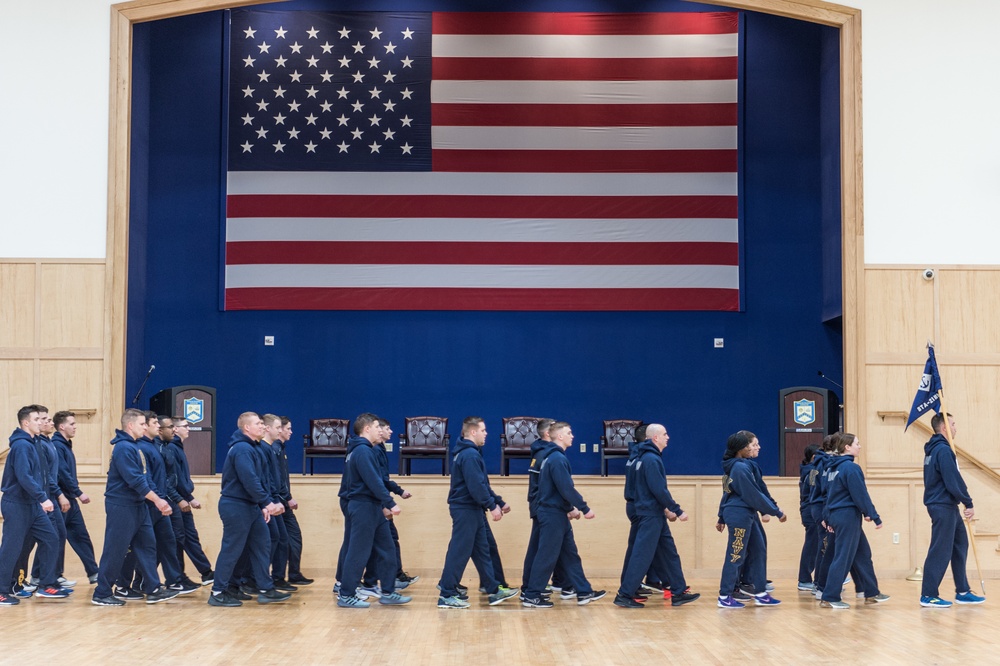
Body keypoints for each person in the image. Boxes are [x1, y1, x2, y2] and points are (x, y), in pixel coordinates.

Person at [91, 409, 179, 606]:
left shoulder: (134, 447)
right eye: (142, 424)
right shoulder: (123, 448)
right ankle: (102, 592)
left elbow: (143, 478)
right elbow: (135, 480)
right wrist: (158, 500)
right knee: (116, 549)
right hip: (122, 505)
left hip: (138, 505)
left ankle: (153, 588)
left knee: (147, 545)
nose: (145, 427)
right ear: (130, 425)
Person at [207, 412, 289, 607]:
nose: (262, 426)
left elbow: (259, 480)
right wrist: (267, 503)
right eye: (258, 423)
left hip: (251, 506)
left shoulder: (254, 447)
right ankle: (218, 592)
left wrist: (262, 505)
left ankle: (265, 589)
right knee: (232, 548)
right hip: (236, 505)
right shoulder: (242, 449)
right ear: (247, 428)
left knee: (262, 543)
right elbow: (249, 479)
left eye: (262, 423)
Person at [436, 417, 518, 609]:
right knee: (459, 552)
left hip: (472, 508)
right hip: (465, 509)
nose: (486, 433)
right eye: (483, 430)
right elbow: (476, 486)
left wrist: (497, 501)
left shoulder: (469, 453)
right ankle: (446, 594)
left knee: (482, 551)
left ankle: (493, 590)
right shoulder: (470, 455)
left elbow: (482, 484)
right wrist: (491, 505)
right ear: (473, 432)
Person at [521, 422, 605, 608]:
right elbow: (566, 488)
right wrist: (583, 507)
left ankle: (583, 591)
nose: (572, 436)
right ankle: (532, 595)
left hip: (556, 512)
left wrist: (568, 508)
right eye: (569, 432)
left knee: (570, 554)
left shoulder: (552, 457)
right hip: (551, 514)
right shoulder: (557, 459)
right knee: (547, 555)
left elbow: (557, 489)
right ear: (559, 437)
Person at [615, 424, 699, 609]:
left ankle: (678, 590)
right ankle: (625, 594)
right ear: (655, 438)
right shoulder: (651, 459)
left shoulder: (643, 457)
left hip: (651, 512)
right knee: (642, 554)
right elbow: (658, 489)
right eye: (665, 434)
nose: (668, 437)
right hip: (649, 513)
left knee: (669, 553)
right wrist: (676, 509)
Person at [336, 413, 410, 608]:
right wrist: (390, 502)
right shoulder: (362, 451)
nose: (381, 430)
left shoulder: (365, 450)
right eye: (377, 427)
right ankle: (346, 594)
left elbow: (377, 480)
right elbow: (373, 481)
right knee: (358, 552)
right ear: (367, 429)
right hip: (362, 506)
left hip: (372, 506)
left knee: (387, 549)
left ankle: (388, 592)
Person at [0, 406, 68, 605]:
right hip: (17, 504)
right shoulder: (22, 445)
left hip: (32, 504)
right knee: (11, 548)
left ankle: (46, 585)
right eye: (37, 419)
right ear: (26, 423)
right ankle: (2, 590)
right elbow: (24, 476)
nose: (42, 422)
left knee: (51, 538)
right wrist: (43, 498)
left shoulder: (32, 443)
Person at [920, 413, 984, 608]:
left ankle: (962, 591)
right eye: (953, 424)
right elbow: (953, 480)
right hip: (942, 505)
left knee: (960, 545)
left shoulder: (935, 450)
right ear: (944, 427)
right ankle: (928, 595)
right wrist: (968, 502)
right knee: (940, 550)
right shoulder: (942, 451)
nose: (956, 428)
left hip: (947, 505)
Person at [716, 431, 784, 608]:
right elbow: (751, 494)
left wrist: (768, 509)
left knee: (759, 549)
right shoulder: (738, 468)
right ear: (742, 448)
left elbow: (759, 490)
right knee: (736, 553)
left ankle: (760, 592)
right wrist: (775, 511)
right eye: (754, 445)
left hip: (748, 514)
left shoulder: (745, 466)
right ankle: (725, 595)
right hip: (739, 515)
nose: (758, 447)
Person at [818, 432, 887, 609]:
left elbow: (825, 496)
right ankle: (830, 597)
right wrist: (874, 515)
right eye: (857, 443)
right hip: (847, 516)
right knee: (843, 557)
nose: (860, 446)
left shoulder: (831, 468)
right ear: (847, 447)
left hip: (837, 515)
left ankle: (871, 592)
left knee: (863, 554)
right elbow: (860, 495)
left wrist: (827, 517)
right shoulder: (850, 468)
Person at [359, 417, 413, 598]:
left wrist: (398, 491)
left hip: (378, 502)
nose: (389, 432)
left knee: (385, 544)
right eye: (385, 428)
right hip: (372, 505)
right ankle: (351, 585)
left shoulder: (378, 449)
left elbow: (382, 479)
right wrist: (386, 504)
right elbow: (375, 482)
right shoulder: (367, 451)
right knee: (367, 546)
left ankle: (381, 584)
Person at [163, 417, 214, 584]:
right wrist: (180, 499)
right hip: (175, 500)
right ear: (175, 429)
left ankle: (204, 572)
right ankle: (179, 577)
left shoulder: (177, 447)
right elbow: (171, 479)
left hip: (182, 498)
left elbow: (180, 478)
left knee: (188, 537)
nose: (188, 429)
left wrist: (190, 498)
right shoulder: (171, 448)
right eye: (185, 426)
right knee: (179, 538)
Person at [52, 410, 99, 585]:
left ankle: (94, 573)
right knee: (55, 539)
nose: (75, 427)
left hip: (70, 500)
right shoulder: (57, 445)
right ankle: (48, 576)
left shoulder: (66, 445)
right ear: (62, 426)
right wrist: (78, 492)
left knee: (81, 537)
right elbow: (62, 473)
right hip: (61, 499)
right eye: (72, 424)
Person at [276, 416, 313, 586]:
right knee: (282, 541)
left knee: (292, 537)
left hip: (282, 500)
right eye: (288, 428)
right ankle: (277, 577)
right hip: (278, 501)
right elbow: (275, 479)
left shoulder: (280, 449)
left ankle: (294, 573)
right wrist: (287, 497)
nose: (291, 432)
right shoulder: (273, 450)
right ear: (279, 429)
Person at [796, 443, 821, 592]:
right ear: (814, 457)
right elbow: (814, 494)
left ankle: (820, 577)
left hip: (811, 510)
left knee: (818, 545)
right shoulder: (812, 472)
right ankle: (804, 579)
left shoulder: (810, 470)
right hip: (811, 511)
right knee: (812, 545)